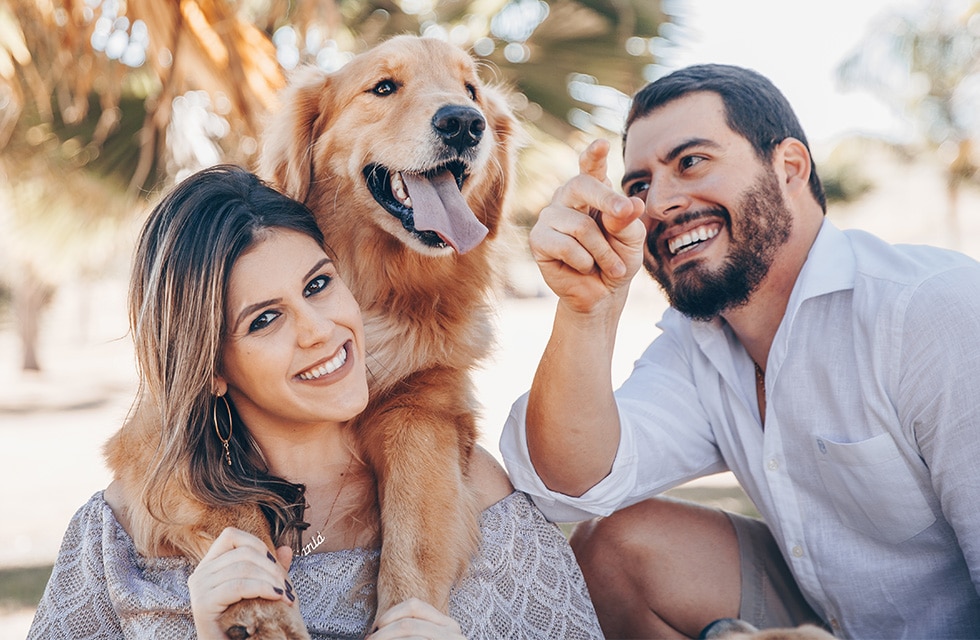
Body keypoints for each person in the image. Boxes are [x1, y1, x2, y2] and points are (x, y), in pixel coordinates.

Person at [500, 64, 980, 639]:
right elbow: (573, 481)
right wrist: (588, 309)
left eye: (691, 162)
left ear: (789, 168)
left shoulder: (934, 310)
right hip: (814, 610)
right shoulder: (697, 343)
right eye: (638, 187)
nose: (658, 205)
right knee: (616, 545)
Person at [28, 165, 603, 639]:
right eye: (266, 320)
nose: (320, 331)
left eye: (319, 284)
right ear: (210, 370)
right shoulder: (124, 531)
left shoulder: (465, 486)